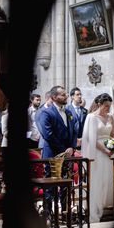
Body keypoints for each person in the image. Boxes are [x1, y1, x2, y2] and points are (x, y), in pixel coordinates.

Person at [36, 85, 77, 213]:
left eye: (66, 94)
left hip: (67, 153)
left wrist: (72, 147)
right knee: (50, 184)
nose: (66, 96)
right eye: (63, 94)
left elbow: (74, 131)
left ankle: (64, 213)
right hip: (52, 153)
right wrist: (64, 150)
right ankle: (48, 214)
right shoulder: (46, 112)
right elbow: (48, 135)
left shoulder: (69, 112)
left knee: (65, 183)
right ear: (54, 97)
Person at [81, 93, 114, 223]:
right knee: (97, 181)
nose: (108, 108)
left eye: (109, 106)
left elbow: (113, 135)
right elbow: (90, 138)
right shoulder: (91, 117)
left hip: (109, 151)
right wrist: (104, 150)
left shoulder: (111, 117)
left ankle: (107, 207)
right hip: (96, 152)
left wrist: (113, 148)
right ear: (99, 104)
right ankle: (95, 210)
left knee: (108, 180)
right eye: (106, 106)